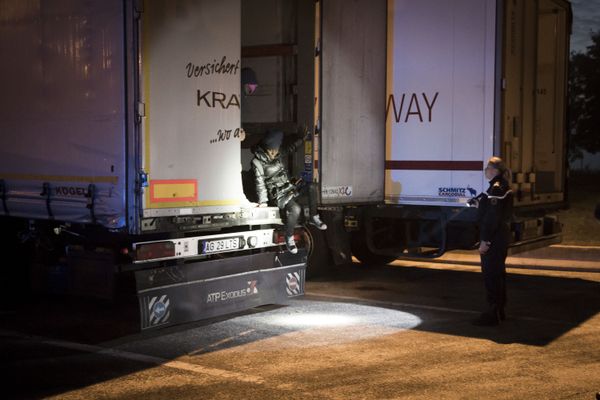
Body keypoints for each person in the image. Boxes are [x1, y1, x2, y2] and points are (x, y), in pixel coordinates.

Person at [251, 129, 327, 254]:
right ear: (266, 147)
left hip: (290, 188)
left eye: (276, 150)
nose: (274, 153)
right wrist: (263, 201)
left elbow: (290, 148)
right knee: (296, 209)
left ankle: (314, 217)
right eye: (272, 150)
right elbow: (260, 184)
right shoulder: (257, 162)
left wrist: (302, 139)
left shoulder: (278, 153)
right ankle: (289, 237)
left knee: (312, 186)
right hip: (279, 195)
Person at [472, 156, 513, 326]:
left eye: (488, 168)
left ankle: (492, 313)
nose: (486, 171)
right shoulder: (500, 187)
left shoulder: (496, 189)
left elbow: (492, 218)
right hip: (501, 236)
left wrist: (485, 241)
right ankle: (499, 310)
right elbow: (492, 210)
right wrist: (478, 205)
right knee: (498, 273)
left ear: (495, 170)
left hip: (494, 238)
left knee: (491, 275)